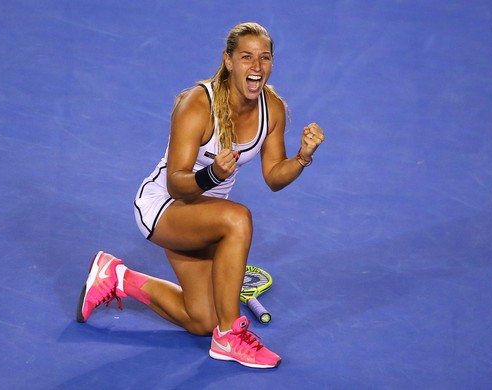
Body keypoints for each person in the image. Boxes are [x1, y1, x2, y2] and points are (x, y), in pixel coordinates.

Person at [76, 22, 324, 369]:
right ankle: (230, 337)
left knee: (201, 320)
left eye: (264, 58)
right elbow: (177, 184)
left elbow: (274, 178)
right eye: (246, 57)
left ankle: (117, 277)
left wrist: (302, 157)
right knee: (238, 219)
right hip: (163, 208)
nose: (256, 67)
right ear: (228, 61)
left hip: (204, 215)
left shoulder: (273, 109)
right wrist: (212, 175)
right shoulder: (197, 104)